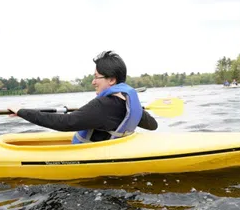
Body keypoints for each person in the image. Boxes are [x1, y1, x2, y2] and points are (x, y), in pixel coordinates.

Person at [8, 51, 158, 143]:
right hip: (112, 150)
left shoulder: (102, 105)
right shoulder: (130, 104)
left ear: (111, 80)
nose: (93, 82)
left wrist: (22, 111)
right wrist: (139, 109)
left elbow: (64, 123)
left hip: (94, 156)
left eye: (96, 77)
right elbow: (152, 125)